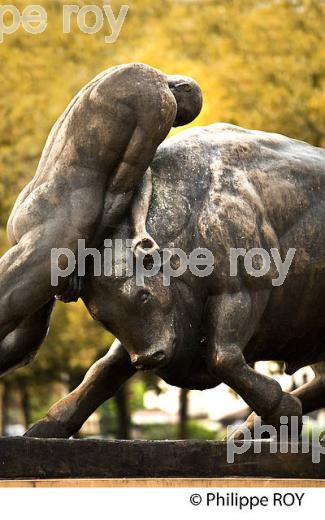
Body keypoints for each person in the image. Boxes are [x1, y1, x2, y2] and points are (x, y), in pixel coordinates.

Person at [0, 62, 202, 375]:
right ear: (181, 93)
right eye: (179, 120)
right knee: (6, 314)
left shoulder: (118, 76)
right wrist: (79, 260)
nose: (172, 126)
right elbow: (122, 188)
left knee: (24, 344)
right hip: (66, 220)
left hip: (34, 199)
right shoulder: (161, 101)